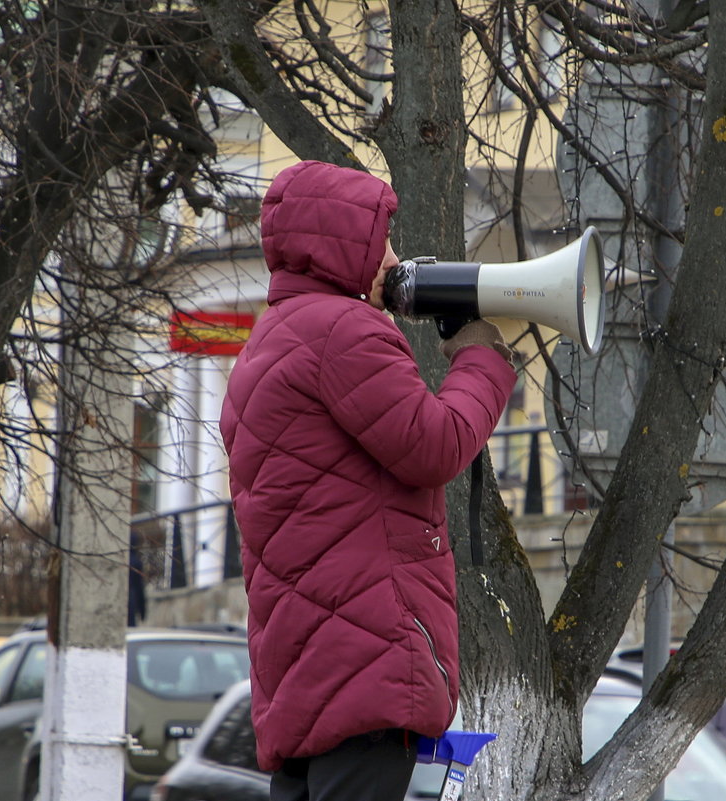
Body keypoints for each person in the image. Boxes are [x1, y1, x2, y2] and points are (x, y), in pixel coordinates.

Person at [220, 160, 517, 801]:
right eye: (378, 240)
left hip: (306, 677)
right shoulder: (343, 332)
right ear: (339, 244)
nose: (390, 258)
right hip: (370, 669)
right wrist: (483, 358)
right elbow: (434, 446)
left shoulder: (267, 342)